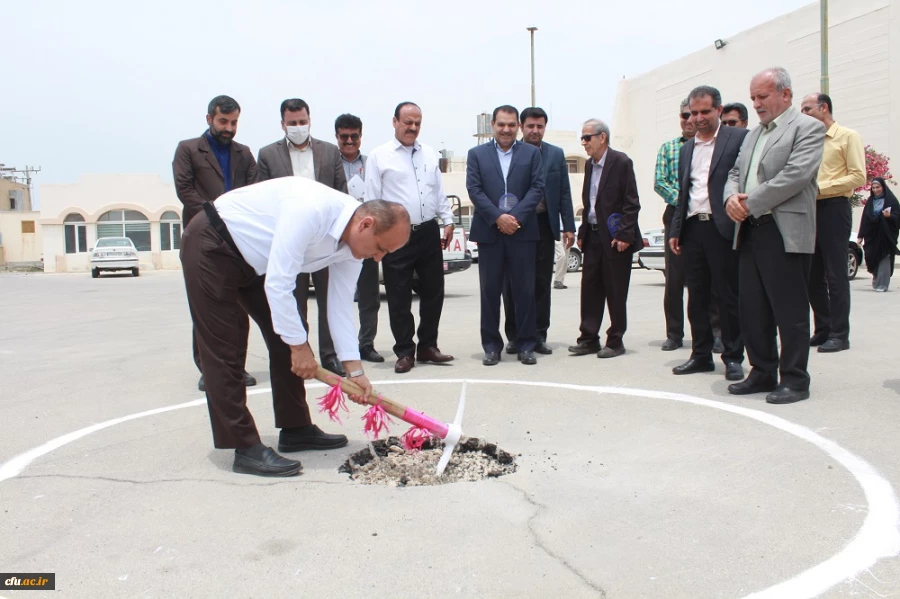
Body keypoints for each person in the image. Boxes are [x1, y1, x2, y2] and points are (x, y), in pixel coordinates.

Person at [180, 176, 411, 477]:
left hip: (258, 261)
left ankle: (295, 429)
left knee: (288, 335)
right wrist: (299, 348)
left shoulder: (354, 245)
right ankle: (244, 446)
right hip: (213, 244)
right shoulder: (310, 210)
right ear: (366, 225)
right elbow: (279, 284)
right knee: (226, 348)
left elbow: (340, 305)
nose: (378, 258)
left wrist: (355, 372)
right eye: (380, 248)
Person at [724, 67, 825, 405]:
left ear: (785, 94)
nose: (756, 104)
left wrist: (748, 203)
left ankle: (795, 379)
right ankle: (763, 371)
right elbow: (735, 172)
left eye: (762, 96)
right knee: (753, 309)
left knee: (789, 310)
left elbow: (796, 176)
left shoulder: (807, 128)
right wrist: (730, 199)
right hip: (750, 230)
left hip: (784, 231)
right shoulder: (753, 135)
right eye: (753, 97)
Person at [172, 95, 258, 392]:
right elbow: (185, 190)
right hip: (202, 240)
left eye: (234, 122)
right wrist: (216, 218)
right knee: (206, 309)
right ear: (209, 118)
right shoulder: (187, 150)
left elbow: (253, 192)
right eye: (223, 121)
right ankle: (208, 370)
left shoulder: (244, 154)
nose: (228, 128)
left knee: (238, 310)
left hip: (238, 242)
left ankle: (237, 367)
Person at [257, 99, 348, 376]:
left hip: (324, 240)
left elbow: (342, 194)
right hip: (290, 239)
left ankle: (330, 355)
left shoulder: (329, 152)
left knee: (328, 299)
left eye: (302, 122)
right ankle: (299, 351)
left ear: (310, 120)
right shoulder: (268, 155)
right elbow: (264, 197)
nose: (298, 127)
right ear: (282, 124)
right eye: (292, 123)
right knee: (294, 300)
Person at [365, 102, 456, 374]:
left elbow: (437, 191)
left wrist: (448, 219)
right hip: (396, 236)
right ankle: (405, 351)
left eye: (417, 123)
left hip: (428, 231)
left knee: (434, 292)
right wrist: (377, 239)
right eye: (408, 122)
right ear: (395, 122)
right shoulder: (379, 156)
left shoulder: (428, 153)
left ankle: (428, 345)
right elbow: (372, 200)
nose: (413, 127)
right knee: (399, 296)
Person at [668, 85, 749, 381]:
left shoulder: (737, 138)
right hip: (693, 229)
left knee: (727, 296)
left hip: (722, 227)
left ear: (718, 110)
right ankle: (701, 355)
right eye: (693, 113)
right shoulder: (686, 149)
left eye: (705, 112)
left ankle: (733, 357)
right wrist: (676, 229)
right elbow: (684, 192)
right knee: (697, 297)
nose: (698, 118)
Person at [467, 105, 545, 365]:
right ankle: (491, 346)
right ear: (493, 125)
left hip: (522, 232)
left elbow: (537, 188)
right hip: (490, 232)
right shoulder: (477, 155)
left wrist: (515, 217)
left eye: (511, 125)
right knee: (489, 292)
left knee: (525, 291)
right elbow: (474, 189)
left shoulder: (531, 153)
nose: (506, 129)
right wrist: (498, 218)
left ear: (518, 127)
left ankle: (526, 344)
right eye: (501, 124)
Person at [501, 106, 575, 355]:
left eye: (539, 126)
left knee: (542, 282)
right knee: (513, 283)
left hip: (544, 224)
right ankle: (514, 335)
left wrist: (568, 225)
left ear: (545, 128)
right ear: (522, 127)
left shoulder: (555, 154)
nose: (535, 130)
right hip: (517, 225)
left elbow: (564, 191)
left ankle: (539, 334)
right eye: (530, 126)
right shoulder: (511, 152)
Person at [568, 119, 642, 359]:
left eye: (587, 137)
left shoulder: (621, 162)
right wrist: (583, 232)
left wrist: (624, 234)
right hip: (593, 236)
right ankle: (589, 339)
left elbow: (631, 203)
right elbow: (589, 203)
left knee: (616, 291)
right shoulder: (589, 165)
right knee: (590, 289)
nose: (583, 143)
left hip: (615, 239)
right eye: (582, 138)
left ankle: (616, 341)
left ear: (602, 138)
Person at [800, 93, 866, 353]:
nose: (803, 114)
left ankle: (840, 334)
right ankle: (823, 329)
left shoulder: (847, 136)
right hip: (808, 209)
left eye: (807, 109)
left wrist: (820, 188)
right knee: (812, 276)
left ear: (824, 107)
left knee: (836, 274)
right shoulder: (808, 140)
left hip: (834, 208)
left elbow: (858, 176)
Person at [335, 113, 384, 363]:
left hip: (366, 238)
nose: (349, 141)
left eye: (354, 136)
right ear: (337, 136)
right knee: (336, 296)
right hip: (337, 237)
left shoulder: (371, 163)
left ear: (361, 136)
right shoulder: (329, 162)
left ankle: (366, 344)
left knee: (369, 295)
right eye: (344, 136)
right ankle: (335, 349)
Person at [654, 98, 696, 351]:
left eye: (693, 114)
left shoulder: (709, 146)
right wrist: (685, 201)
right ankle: (674, 333)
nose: (689, 120)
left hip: (704, 216)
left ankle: (713, 332)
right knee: (674, 279)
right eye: (684, 115)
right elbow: (660, 182)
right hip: (676, 216)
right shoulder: (668, 148)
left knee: (706, 278)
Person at [857, 178, 900, 292]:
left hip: (885, 235)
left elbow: (898, 217)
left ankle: (882, 285)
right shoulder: (870, 201)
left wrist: (889, 216)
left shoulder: (891, 200)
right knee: (872, 258)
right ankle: (877, 281)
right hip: (871, 235)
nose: (876, 190)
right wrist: (860, 236)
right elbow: (864, 219)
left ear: (883, 187)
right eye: (873, 188)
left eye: (878, 187)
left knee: (884, 257)